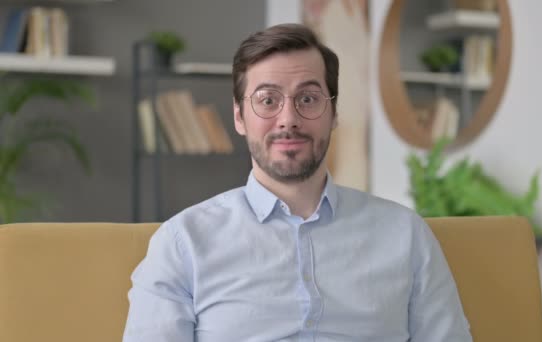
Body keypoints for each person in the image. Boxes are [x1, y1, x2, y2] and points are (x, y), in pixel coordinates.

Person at [123, 23, 472, 342]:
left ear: (333, 113)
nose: (288, 119)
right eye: (267, 100)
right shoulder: (182, 244)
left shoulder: (406, 235)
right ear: (239, 117)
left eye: (307, 98)